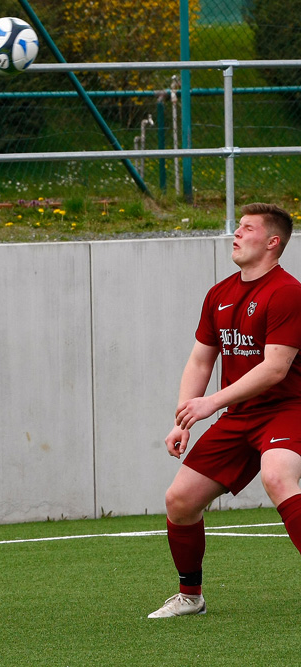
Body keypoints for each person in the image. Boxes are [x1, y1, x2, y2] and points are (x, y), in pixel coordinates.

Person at [149, 202, 301, 618]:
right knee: (179, 500)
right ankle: (190, 596)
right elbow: (201, 361)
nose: (236, 233)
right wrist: (182, 419)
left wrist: (210, 403)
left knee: (277, 476)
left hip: (288, 409)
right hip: (239, 416)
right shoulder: (218, 293)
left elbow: (275, 368)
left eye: (247, 228)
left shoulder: (287, 292)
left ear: (273, 242)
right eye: (237, 226)